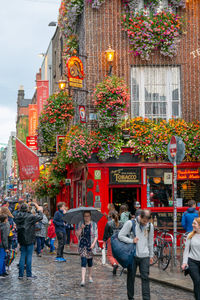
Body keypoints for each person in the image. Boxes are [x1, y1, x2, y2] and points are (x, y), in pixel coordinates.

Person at [118, 209, 154, 300]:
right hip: (133, 255)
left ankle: (146, 298)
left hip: (145, 256)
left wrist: (151, 255)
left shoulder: (150, 226)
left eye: (147, 221)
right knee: (131, 277)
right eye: (144, 221)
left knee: (145, 277)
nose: (145, 223)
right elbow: (120, 236)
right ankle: (131, 297)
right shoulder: (130, 223)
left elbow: (150, 242)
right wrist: (131, 240)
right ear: (140, 217)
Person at [15, 202, 43, 280]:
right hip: (29, 237)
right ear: (27, 209)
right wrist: (38, 208)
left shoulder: (17, 216)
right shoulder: (30, 216)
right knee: (29, 256)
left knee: (22, 255)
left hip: (21, 238)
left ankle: (20, 275)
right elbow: (40, 217)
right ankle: (28, 274)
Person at [76, 211, 98, 286]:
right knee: (83, 261)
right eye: (85, 216)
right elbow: (77, 235)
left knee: (90, 262)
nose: (86, 217)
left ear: (90, 216)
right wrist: (81, 228)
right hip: (82, 245)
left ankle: (89, 276)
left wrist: (93, 244)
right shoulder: (80, 223)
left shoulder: (94, 224)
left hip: (90, 245)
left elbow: (96, 236)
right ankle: (82, 280)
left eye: (88, 216)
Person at [182, 213, 200, 300]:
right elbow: (186, 251)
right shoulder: (190, 235)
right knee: (197, 281)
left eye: (194, 223)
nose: (192, 225)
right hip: (192, 262)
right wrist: (184, 263)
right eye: (192, 223)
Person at [0, 214, 9, 278]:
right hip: (2, 245)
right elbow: (4, 238)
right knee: (2, 258)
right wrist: (6, 247)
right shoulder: (4, 226)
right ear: (5, 219)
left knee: (2, 258)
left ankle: (3, 271)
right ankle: (1, 272)